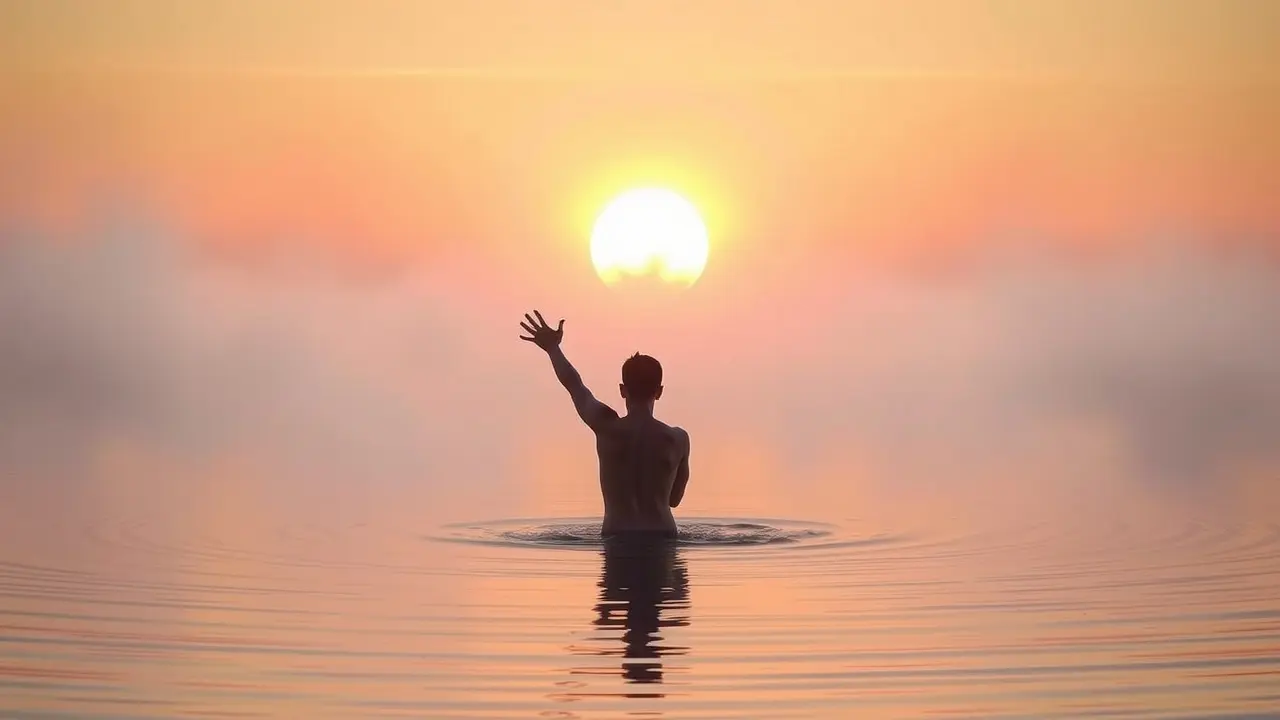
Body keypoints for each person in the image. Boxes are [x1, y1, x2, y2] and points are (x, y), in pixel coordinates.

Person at [519, 310, 690, 540]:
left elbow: (574, 385)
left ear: (622, 390)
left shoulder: (606, 426)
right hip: (663, 535)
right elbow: (674, 500)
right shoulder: (678, 439)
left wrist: (553, 349)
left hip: (617, 535)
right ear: (659, 392)